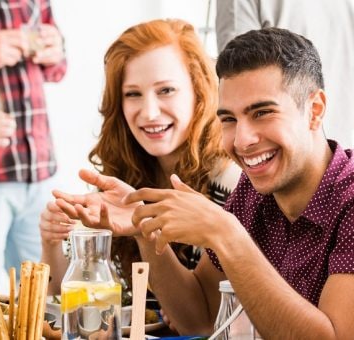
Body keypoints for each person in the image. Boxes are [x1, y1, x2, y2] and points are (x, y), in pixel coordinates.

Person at [61, 27, 354, 338]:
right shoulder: (253, 196)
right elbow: (199, 319)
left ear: (315, 109)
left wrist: (227, 235)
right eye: (229, 119)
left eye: (262, 113)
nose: (243, 139)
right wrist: (149, 229)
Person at [39, 19, 240, 303]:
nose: (149, 112)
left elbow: (208, 318)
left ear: (199, 91)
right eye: (133, 94)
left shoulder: (232, 185)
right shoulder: (124, 178)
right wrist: (52, 241)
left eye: (166, 90)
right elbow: (72, 301)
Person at [0, 0, 67, 295]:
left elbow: (57, 71)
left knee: (40, 290)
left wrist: (56, 51)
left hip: (38, 165)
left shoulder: (37, 2)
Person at [215, 0, 354, 148]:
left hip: (273, 160)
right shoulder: (343, 4)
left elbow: (237, 86)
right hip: (336, 155)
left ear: (317, 108)